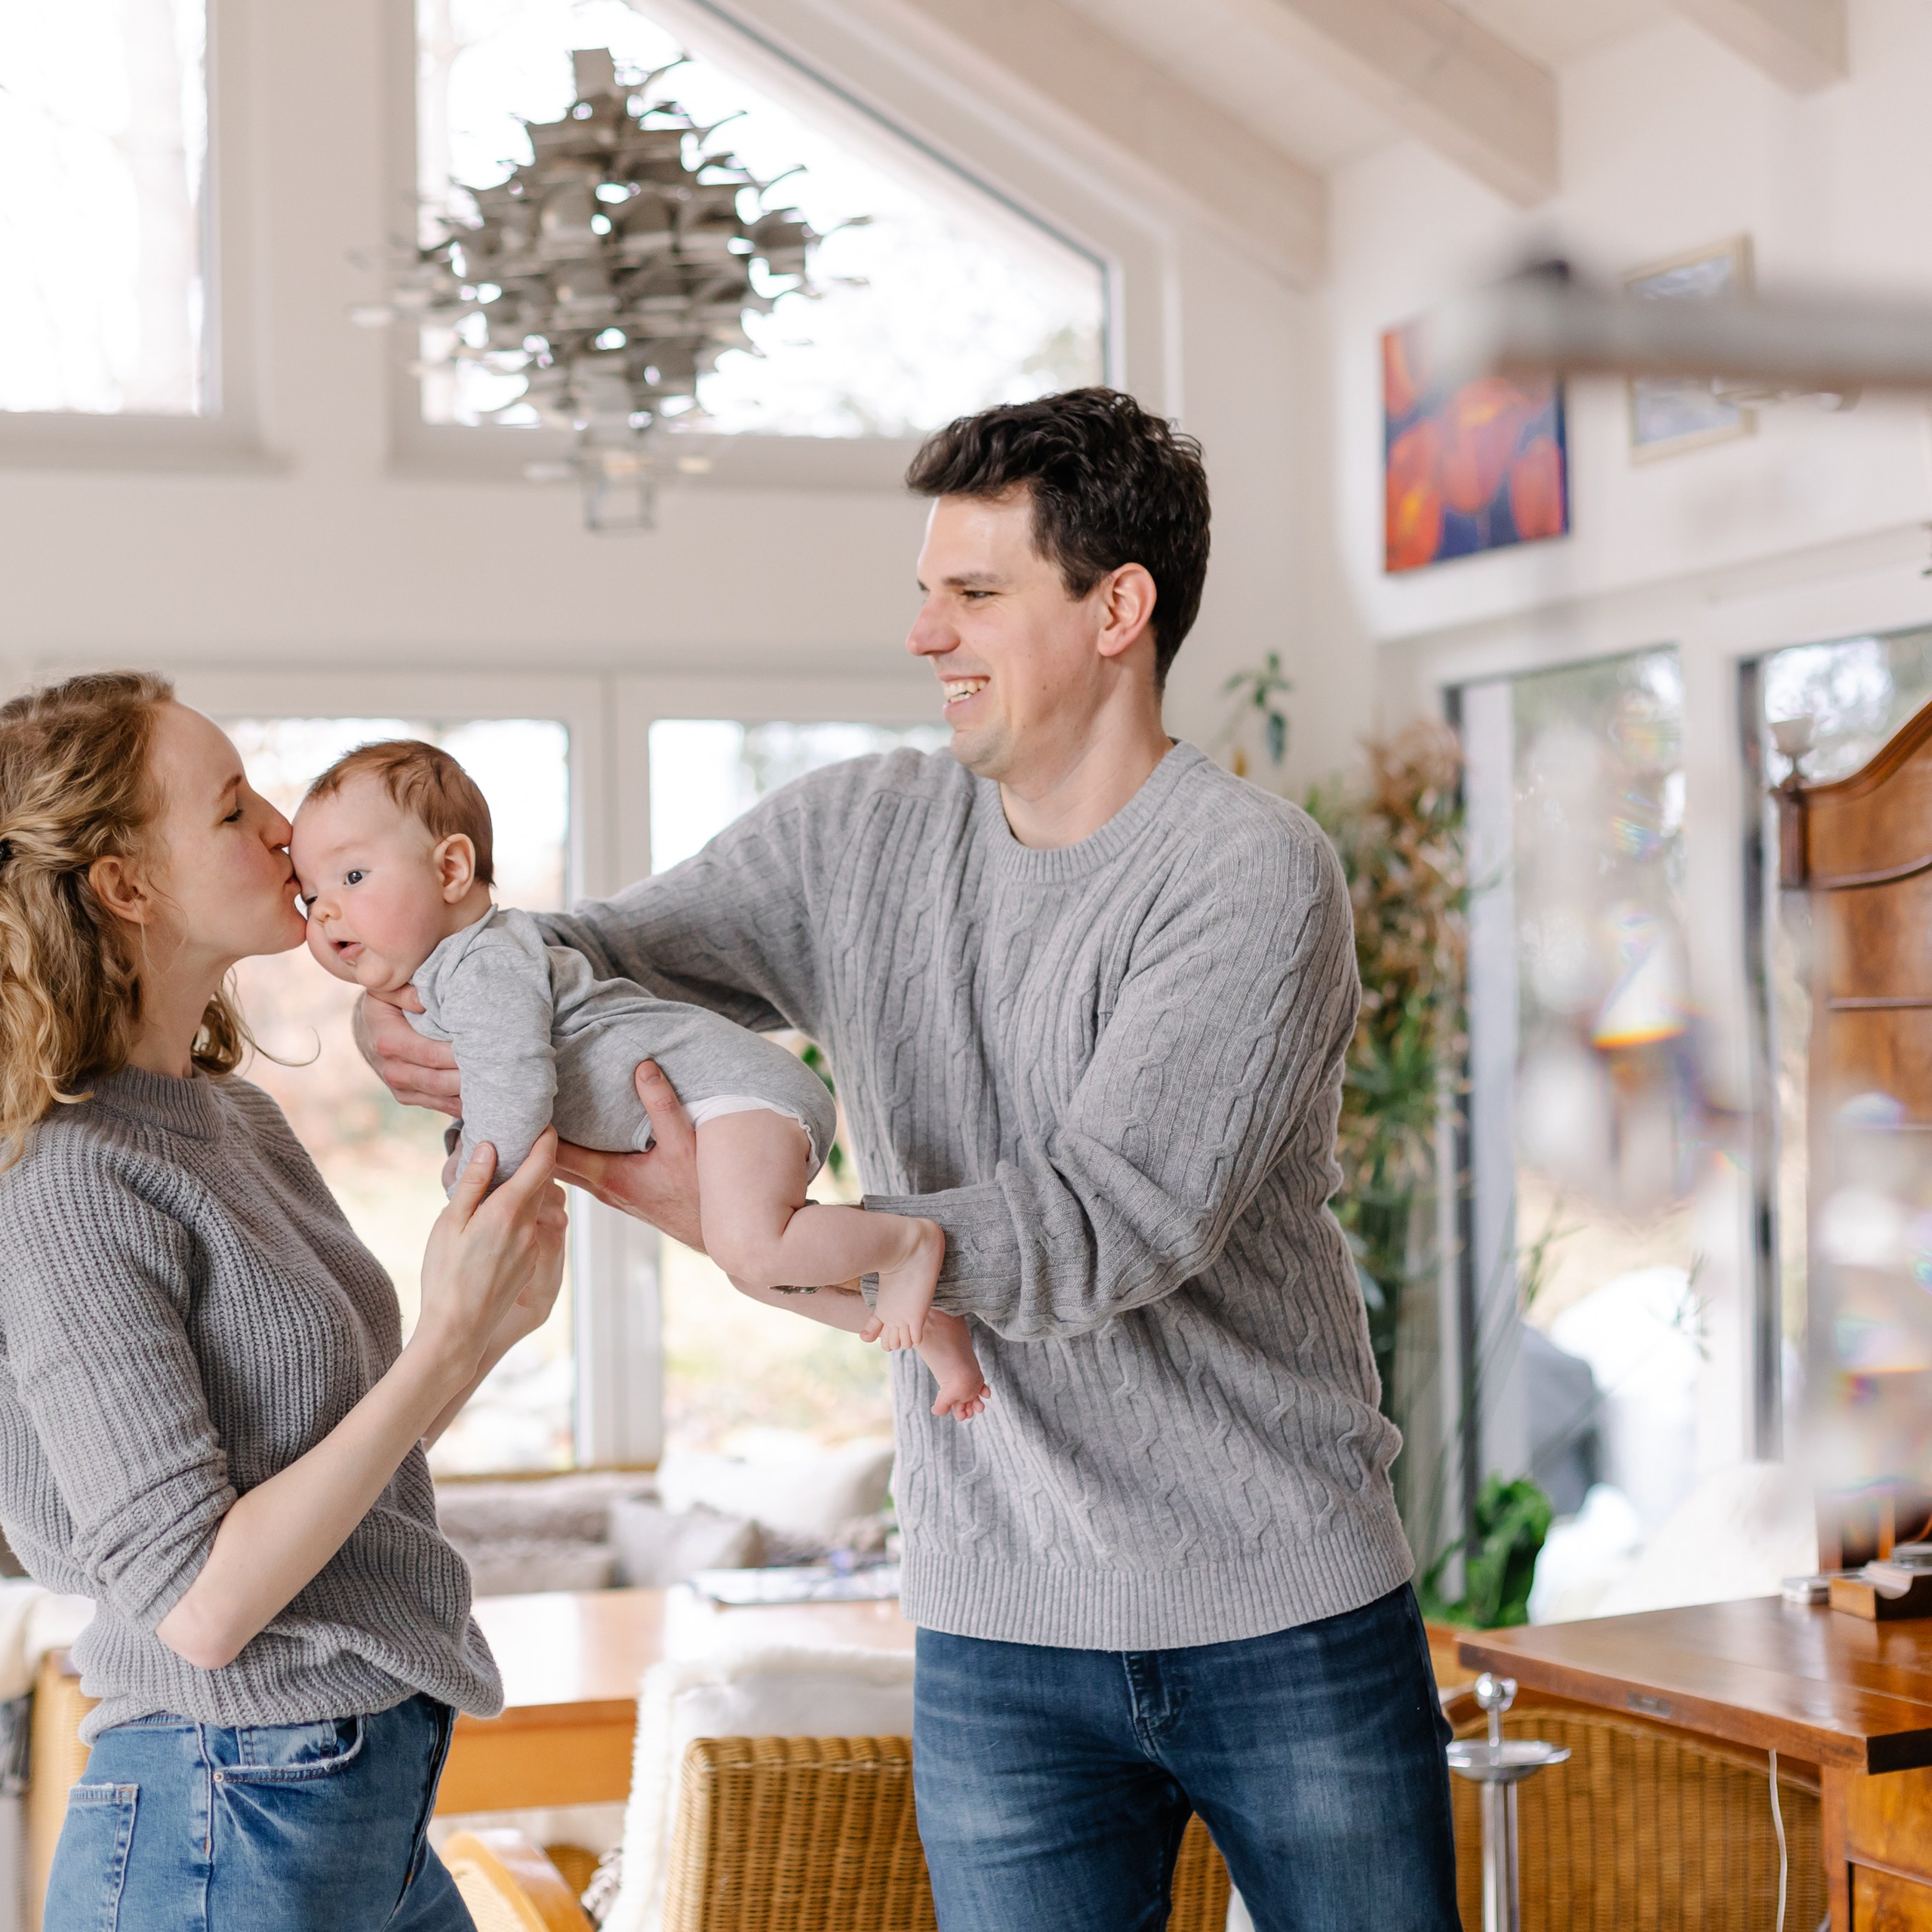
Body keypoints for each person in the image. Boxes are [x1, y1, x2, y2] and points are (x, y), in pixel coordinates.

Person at [361, 387, 1459, 1930]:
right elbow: (584, 952)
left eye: (975, 594)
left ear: (1117, 611)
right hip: (996, 1622)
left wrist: (786, 1235)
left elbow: (1107, 1226)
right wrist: (421, 978)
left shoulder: (1248, 873)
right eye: (926, 591)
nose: (923, 633)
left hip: (1281, 1606)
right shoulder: (857, 837)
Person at [0, 672, 568, 1932]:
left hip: (354, 1799)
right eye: (229, 808)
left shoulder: (233, 1119)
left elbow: (324, 1457)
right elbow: (201, 1609)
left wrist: (486, 1329)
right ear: (127, 887)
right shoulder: (66, 1181)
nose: (281, 827)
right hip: (226, 1809)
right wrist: (445, 1343)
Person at [290, 738, 987, 1420]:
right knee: (753, 1271)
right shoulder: (455, 977)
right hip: (729, 1106)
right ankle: (925, 1321)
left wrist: (475, 1198)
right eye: (310, 894)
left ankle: (908, 1242)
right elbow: (489, 1093)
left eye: (352, 878)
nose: (324, 911)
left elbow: (513, 1086)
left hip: (733, 1093)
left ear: (450, 870)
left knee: (750, 1246)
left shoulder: (484, 965)